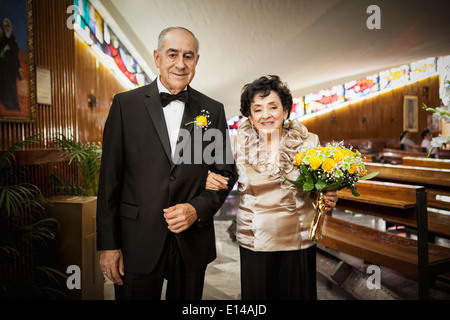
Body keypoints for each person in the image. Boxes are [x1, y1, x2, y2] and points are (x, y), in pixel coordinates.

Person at [96, 27, 236, 300]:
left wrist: (195, 209)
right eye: (172, 54)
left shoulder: (213, 109)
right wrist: (109, 246)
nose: (180, 64)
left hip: (191, 239)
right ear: (157, 57)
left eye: (188, 56)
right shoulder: (126, 105)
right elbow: (109, 180)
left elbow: (225, 173)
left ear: (196, 60)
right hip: (136, 240)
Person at [206, 75, 338, 300]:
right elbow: (222, 178)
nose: (265, 115)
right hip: (255, 238)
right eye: (257, 109)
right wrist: (207, 177)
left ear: (286, 111)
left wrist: (329, 195)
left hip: (299, 238)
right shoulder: (237, 144)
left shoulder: (308, 142)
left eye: (273, 107)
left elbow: (320, 188)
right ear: (249, 115)